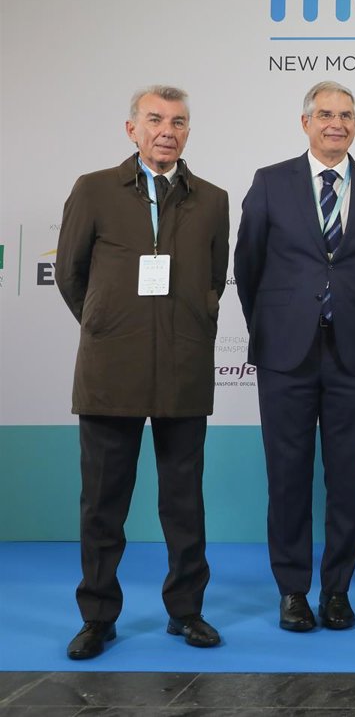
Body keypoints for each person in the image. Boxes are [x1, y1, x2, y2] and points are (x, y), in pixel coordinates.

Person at [56, 85, 229, 659]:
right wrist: (107, 324)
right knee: (102, 505)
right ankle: (97, 617)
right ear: (132, 129)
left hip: (184, 368)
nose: (167, 131)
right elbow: (71, 275)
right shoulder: (94, 189)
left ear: (188, 131)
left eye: (178, 122)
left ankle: (187, 612)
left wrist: (193, 323)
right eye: (155, 119)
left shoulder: (212, 199)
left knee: (184, 504)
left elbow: (215, 278)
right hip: (112, 370)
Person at [233, 81, 355, 632]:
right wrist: (276, 322)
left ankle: (337, 591)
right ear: (305, 122)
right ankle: (292, 592)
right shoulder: (271, 181)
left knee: (347, 480)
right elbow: (248, 264)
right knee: (287, 477)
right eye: (325, 114)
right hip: (286, 354)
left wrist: (353, 314)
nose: (336, 123)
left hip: (352, 354)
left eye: (346, 115)